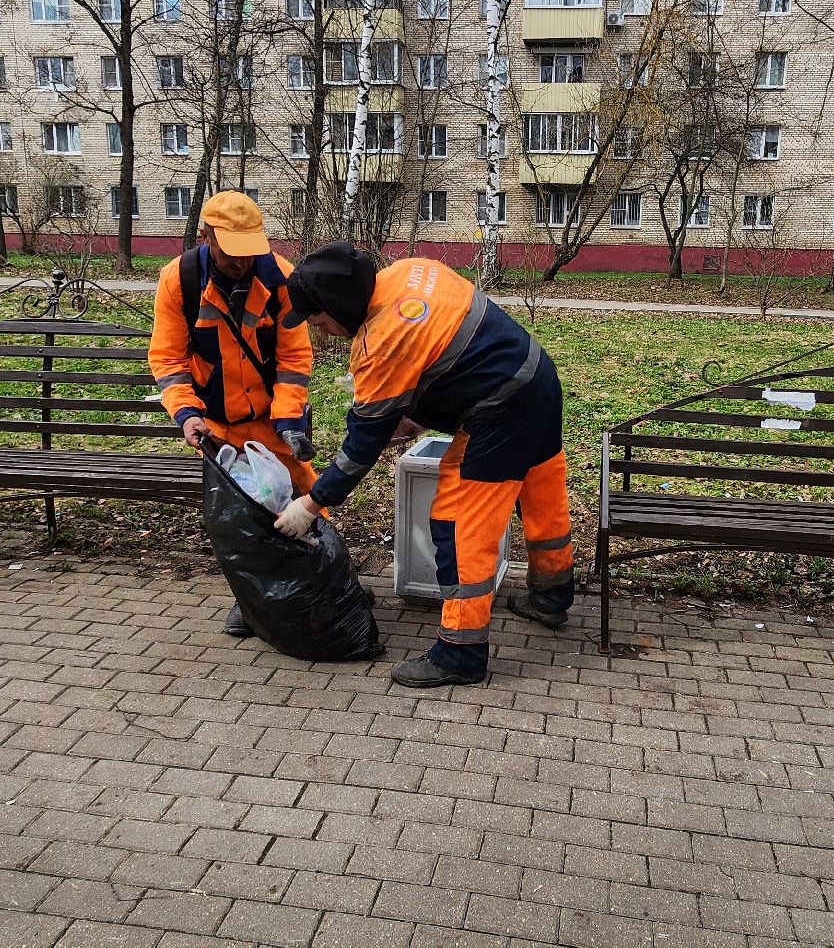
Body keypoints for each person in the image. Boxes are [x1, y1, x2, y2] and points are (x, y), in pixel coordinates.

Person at [271, 242, 574, 688]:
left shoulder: (381, 342)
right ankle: (551, 597)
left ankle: (460, 654)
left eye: (319, 320)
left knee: (458, 522)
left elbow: (359, 450)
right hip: (537, 380)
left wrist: (311, 505)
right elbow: (446, 346)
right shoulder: (410, 272)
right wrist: (414, 407)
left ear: (337, 306)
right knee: (541, 495)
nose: (323, 332)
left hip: (500, 409)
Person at [149, 191, 315, 638]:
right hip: (217, 425)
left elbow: (294, 356)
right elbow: (168, 359)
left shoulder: (279, 276)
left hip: (273, 418)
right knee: (240, 518)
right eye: (232, 253)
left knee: (306, 499)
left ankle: (321, 576)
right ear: (207, 237)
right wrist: (186, 415)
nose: (243, 263)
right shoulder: (178, 281)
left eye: (250, 253)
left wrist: (288, 419)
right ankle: (253, 598)